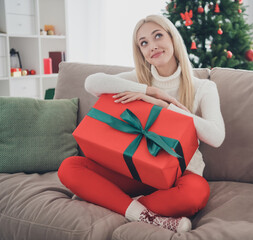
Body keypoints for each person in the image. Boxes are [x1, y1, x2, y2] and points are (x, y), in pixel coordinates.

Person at [58, 14, 225, 233]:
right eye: (144, 43)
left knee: (195, 194)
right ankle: (143, 214)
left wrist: (166, 106)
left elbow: (216, 136)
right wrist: (149, 90)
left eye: (158, 36)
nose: (152, 46)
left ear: (172, 38)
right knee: (70, 167)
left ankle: (117, 203)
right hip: (136, 169)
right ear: (141, 52)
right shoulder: (139, 79)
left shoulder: (203, 87)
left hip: (179, 174)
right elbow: (92, 82)